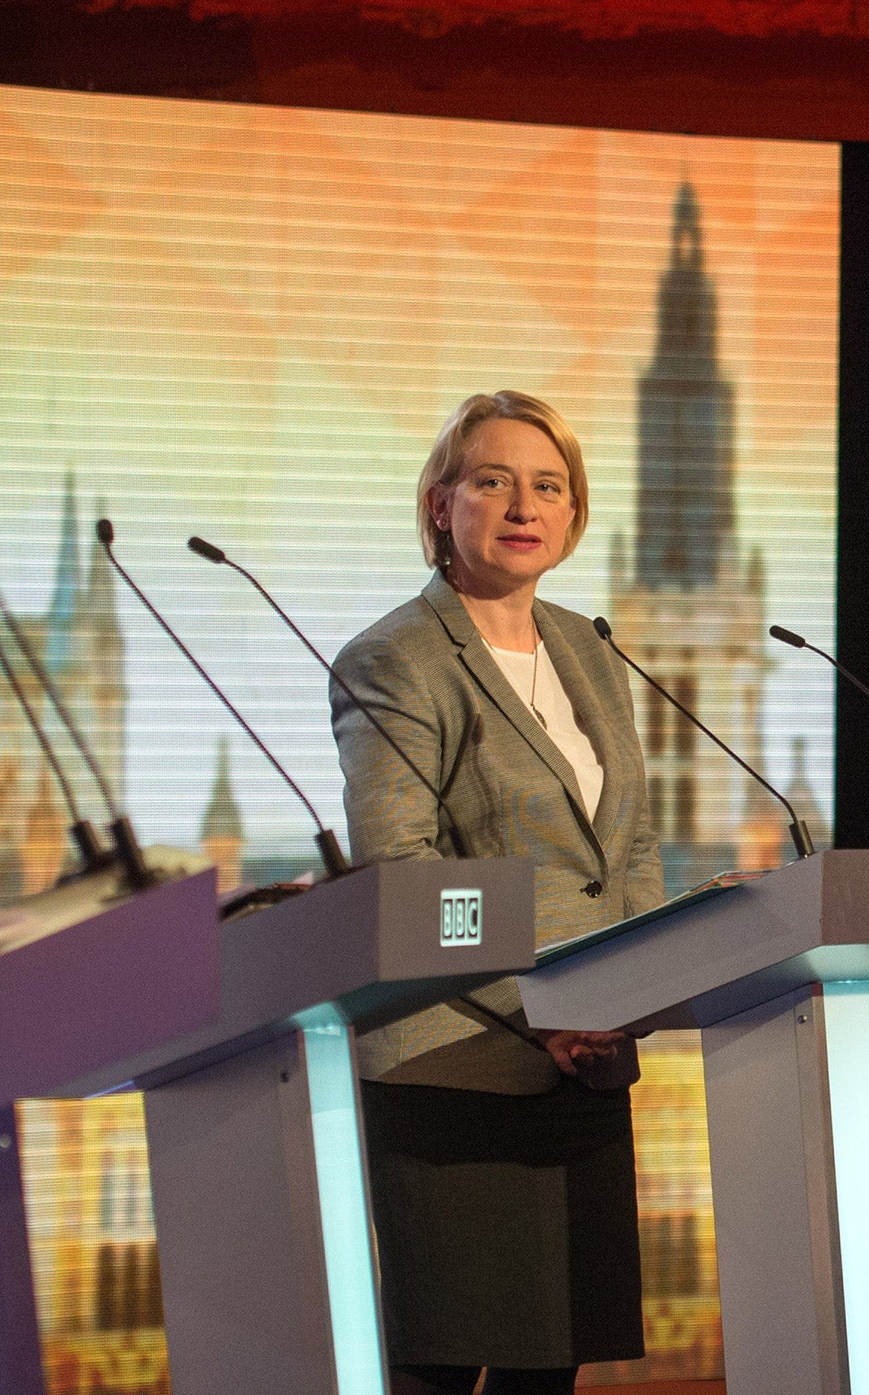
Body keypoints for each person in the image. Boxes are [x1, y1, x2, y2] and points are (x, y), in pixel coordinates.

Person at [330, 390, 663, 1395]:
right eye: (492, 480)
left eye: (547, 486)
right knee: (440, 1369)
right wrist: (542, 1012)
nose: (522, 505)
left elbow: (627, 844)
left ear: (570, 516)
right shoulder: (394, 659)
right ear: (441, 505)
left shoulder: (591, 653)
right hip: (454, 1069)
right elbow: (402, 869)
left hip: (585, 1069)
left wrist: (641, 990)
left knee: (545, 1371)